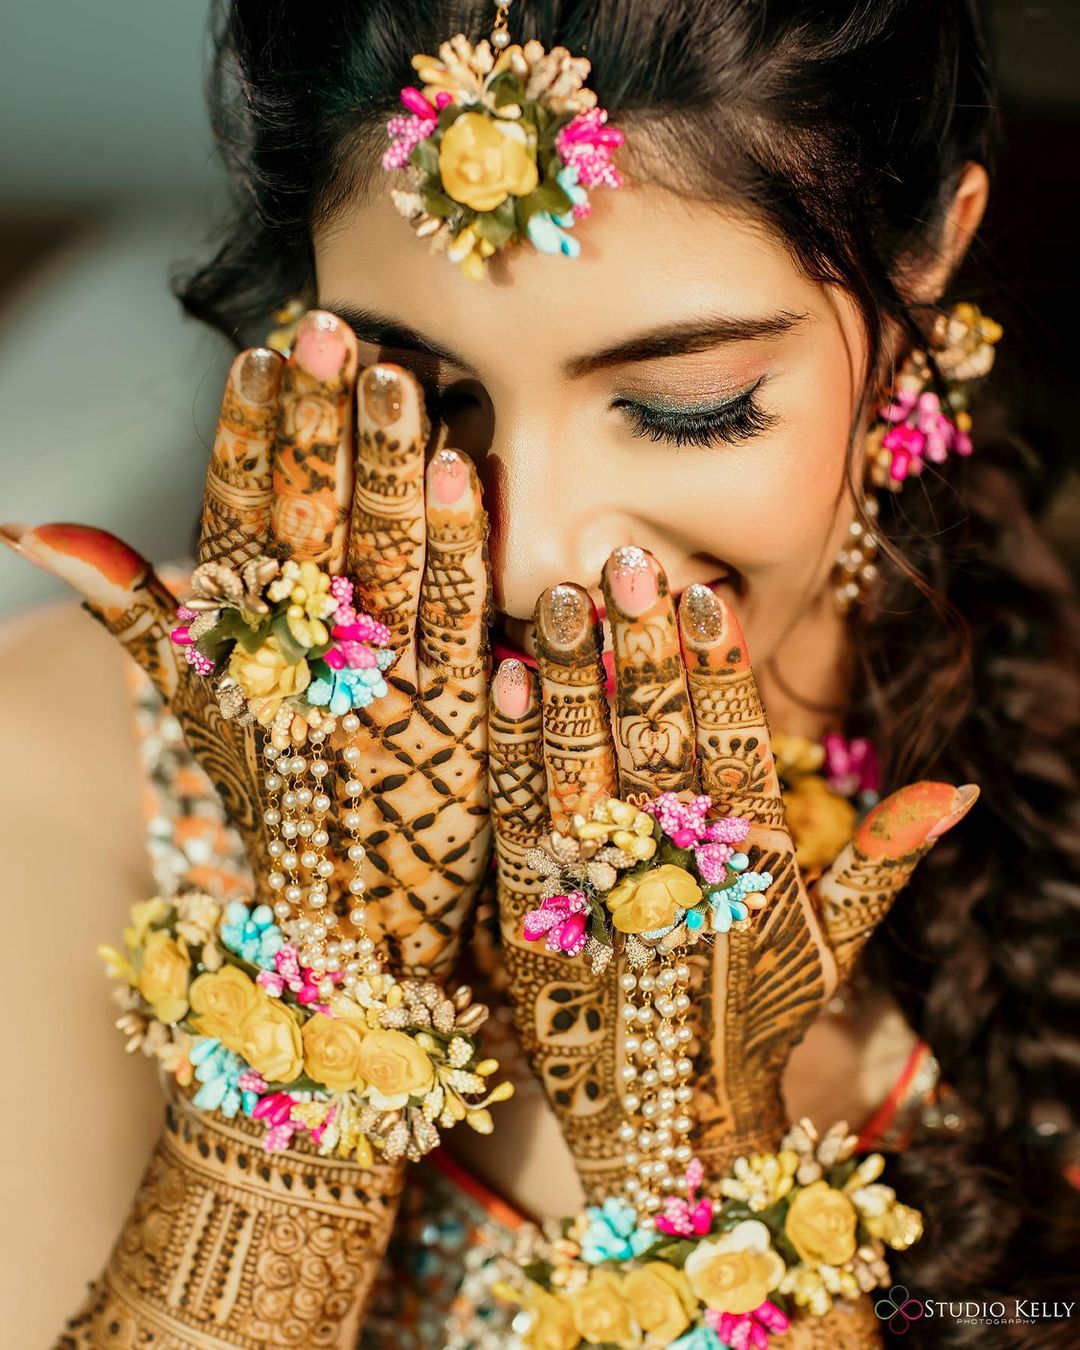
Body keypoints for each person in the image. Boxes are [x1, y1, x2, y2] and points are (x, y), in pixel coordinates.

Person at [2, 1, 1078, 1346]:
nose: (531, 555)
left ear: (930, 266)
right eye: (419, 395)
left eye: (689, 406)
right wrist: (315, 1038)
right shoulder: (72, 771)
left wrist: (691, 1181)